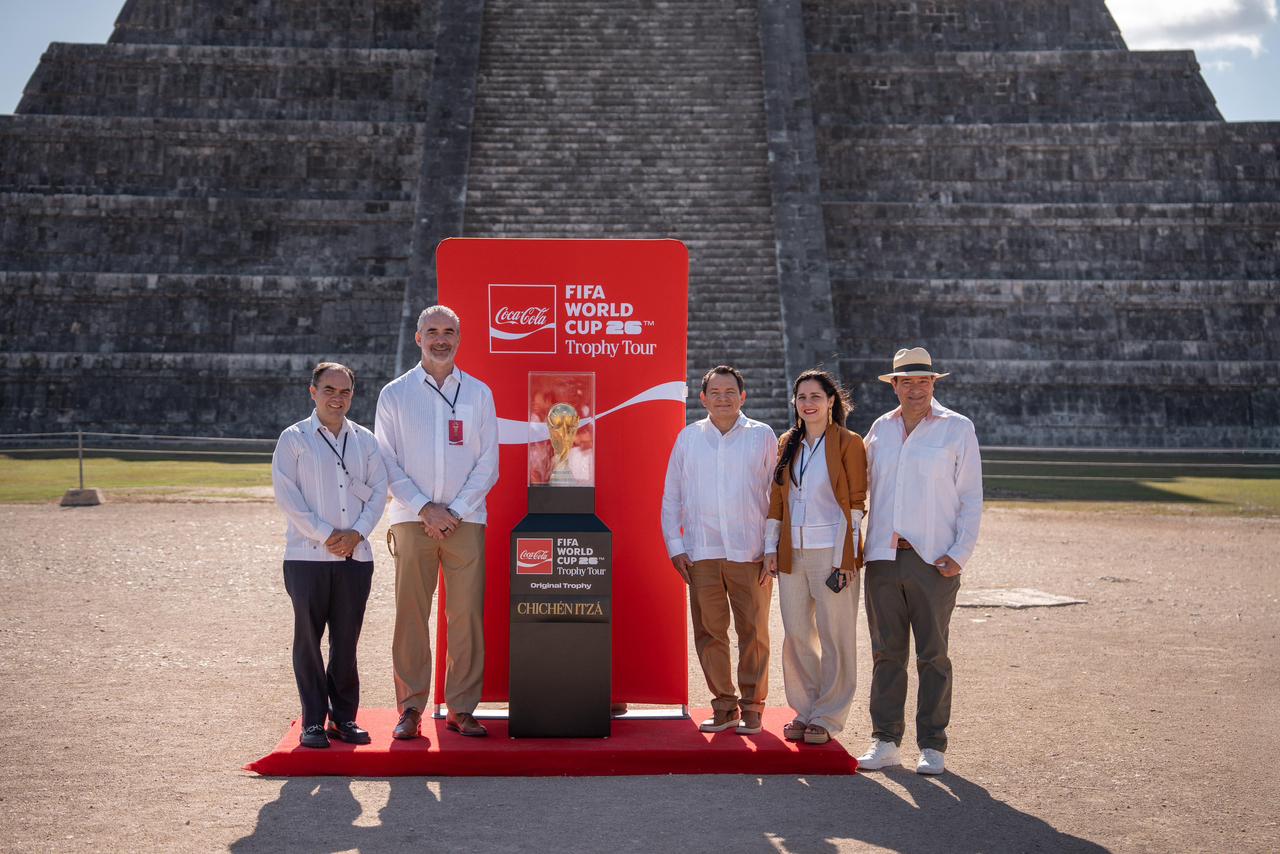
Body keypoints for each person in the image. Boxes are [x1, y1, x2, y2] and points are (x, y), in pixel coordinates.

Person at [856, 347, 982, 775]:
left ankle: (932, 744)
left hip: (933, 560)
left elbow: (970, 497)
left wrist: (960, 554)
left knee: (933, 656)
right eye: (906, 381)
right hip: (883, 558)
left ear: (934, 383)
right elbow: (858, 488)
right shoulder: (879, 429)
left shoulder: (957, 428)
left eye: (923, 381)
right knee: (886, 654)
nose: (915, 389)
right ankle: (885, 740)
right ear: (893, 385)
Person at [375, 305, 499, 739]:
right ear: (418, 338)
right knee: (411, 614)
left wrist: (456, 510)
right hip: (413, 520)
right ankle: (410, 707)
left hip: (467, 520)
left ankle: (461, 708)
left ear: (459, 338)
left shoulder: (479, 393)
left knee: (466, 616)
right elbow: (385, 460)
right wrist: (427, 509)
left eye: (448, 331)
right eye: (432, 332)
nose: (441, 339)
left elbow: (489, 462)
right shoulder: (395, 394)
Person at [271, 362, 388, 749]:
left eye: (345, 391)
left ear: (352, 395)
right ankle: (312, 722)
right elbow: (288, 497)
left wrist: (356, 533)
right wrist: (327, 535)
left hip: (356, 557)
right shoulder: (293, 439)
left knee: (346, 642)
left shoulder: (366, 441)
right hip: (307, 557)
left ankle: (344, 718)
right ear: (313, 392)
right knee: (308, 641)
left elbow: (378, 492)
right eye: (329, 390)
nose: (337, 398)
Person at [661, 365, 777, 734]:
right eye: (715, 392)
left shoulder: (762, 436)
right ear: (703, 398)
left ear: (743, 396)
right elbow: (672, 496)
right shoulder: (688, 438)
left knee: (753, 633)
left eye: (730, 392)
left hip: (751, 552)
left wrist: (771, 547)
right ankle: (725, 706)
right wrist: (676, 546)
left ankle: (753, 707)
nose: (723, 398)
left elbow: (776, 496)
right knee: (710, 632)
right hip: (702, 552)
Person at [764, 369, 867, 746]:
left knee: (835, 635)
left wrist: (847, 558)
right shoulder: (787, 442)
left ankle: (828, 715)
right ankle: (805, 710)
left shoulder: (849, 442)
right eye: (802, 397)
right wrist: (770, 548)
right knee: (796, 634)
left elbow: (855, 504)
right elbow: (777, 500)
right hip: (791, 552)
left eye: (816, 397)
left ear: (831, 402)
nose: (808, 404)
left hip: (832, 553)